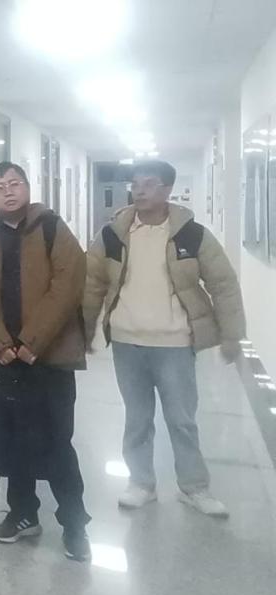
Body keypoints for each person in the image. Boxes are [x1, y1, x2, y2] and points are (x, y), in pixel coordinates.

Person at [84, 160, 246, 517]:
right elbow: (92, 282)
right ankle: (141, 483)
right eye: (135, 184)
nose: (139, 190)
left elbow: (223, 284)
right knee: (137, 418)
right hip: (127, 341)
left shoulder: (192, 234)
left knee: (182, 419)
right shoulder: (112, 234)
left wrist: (232, 335)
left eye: (149, 183)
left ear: (168, 189)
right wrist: (85, 330)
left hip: (174, 342)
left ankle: (194, 487)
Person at [0, 161, 91, 561]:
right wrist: (0, 345)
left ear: (28, 187)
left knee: (57, 443)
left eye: (14, 183)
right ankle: (23, 514)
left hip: (49, 359)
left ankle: (74, 524)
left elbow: (68, 285)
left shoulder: (52, 228)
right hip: (6, 362)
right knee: (13, 440)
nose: (8, 191)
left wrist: (32, 341)